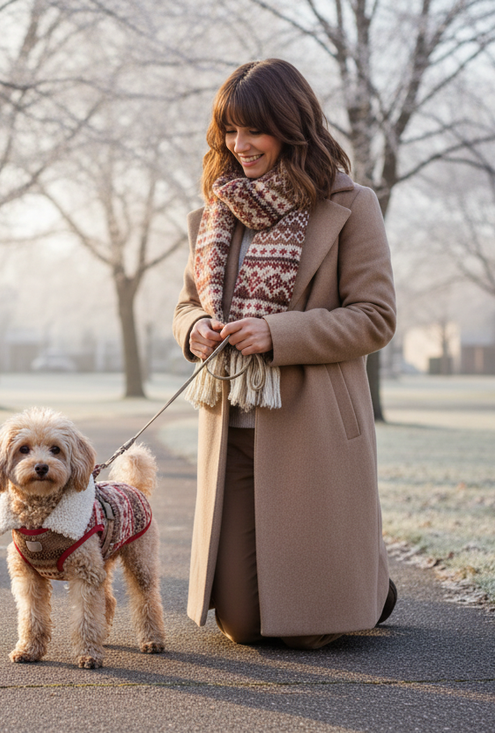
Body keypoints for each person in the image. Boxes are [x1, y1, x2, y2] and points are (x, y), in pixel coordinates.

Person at [172, 59, 397, 650]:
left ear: (292, 127)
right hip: (233, 424)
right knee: (243, 626)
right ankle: (360, 581)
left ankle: (369, 586)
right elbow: (185, 304)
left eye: (254, 130)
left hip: (311, 423)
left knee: (308, 633)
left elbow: (376, 318)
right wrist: (194, 328)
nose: (239, 145)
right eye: (229, 130)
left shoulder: (351, 207)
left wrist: (280, 334)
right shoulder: (216, 213)